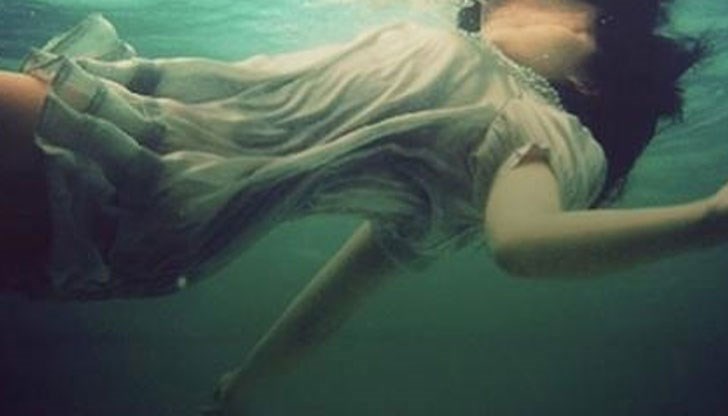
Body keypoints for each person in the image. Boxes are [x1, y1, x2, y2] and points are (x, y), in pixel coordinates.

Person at [0, 0, 719, 414]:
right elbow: (337, 296)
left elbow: (521, 241)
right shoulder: (466, 81)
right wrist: (245, 386)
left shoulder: (538, 123)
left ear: (594, 73)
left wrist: (709, 219)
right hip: (143, 198)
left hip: (136, 176)